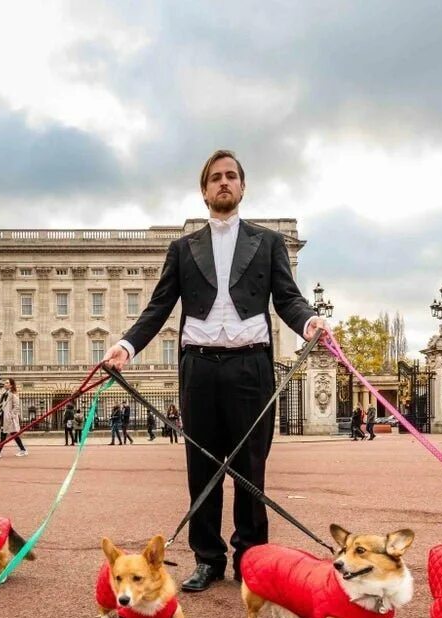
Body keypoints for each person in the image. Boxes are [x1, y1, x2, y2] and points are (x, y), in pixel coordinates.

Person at [103, 149, 324, 593]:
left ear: (242, 187)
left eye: (231, 176)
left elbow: (287, 297)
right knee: (201, 470)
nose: (224, 183)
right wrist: (126, 346)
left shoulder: (268, 242)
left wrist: (309, 321)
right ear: (204, 191)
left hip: (250, 368)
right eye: (215, 178)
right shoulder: (183, 248)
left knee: (250, 469)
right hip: (199, 368)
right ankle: (208, 559)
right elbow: (159, 306)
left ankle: (252, 558)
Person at [0, 378, 28, 457]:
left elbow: (17, 407)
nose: (5, 384)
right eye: (5, 383)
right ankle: (22, 450)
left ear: (11, 385)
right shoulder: (5, 393)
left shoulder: (13, 394)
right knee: (7, 434)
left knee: (9, 434)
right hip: (4, 417)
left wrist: (11, 416)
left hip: (9, 418)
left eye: (7, 383)